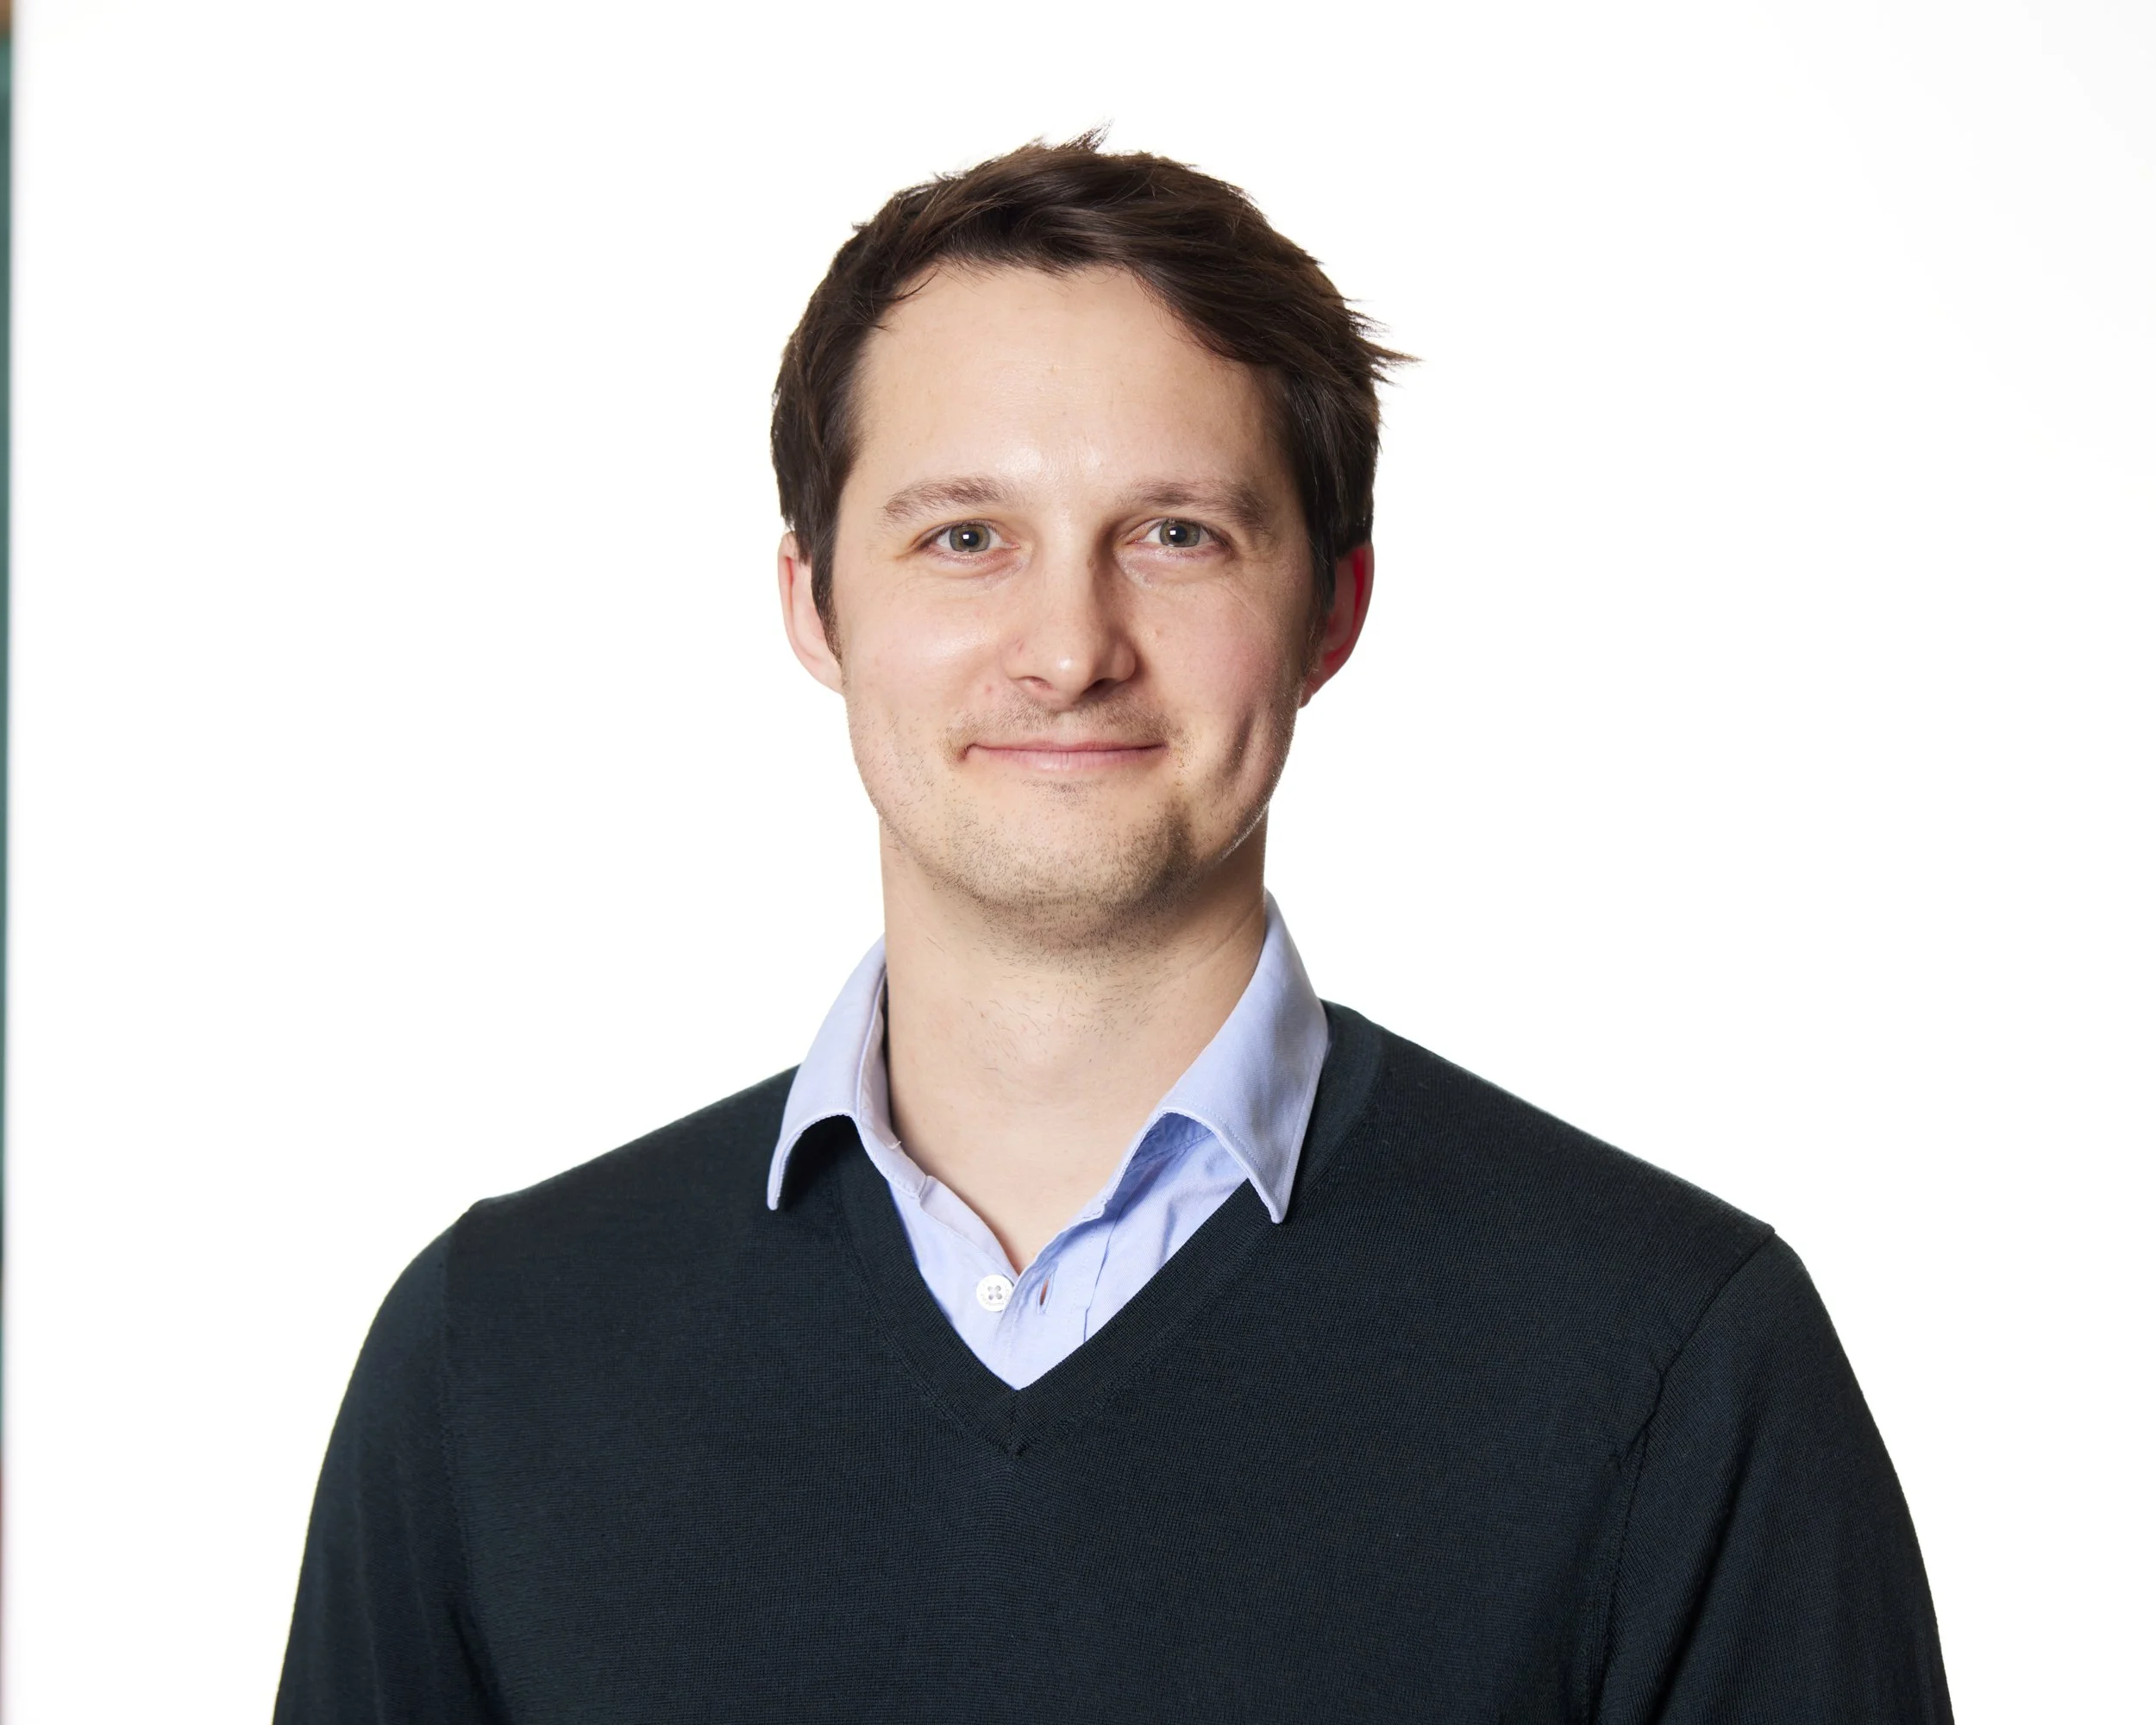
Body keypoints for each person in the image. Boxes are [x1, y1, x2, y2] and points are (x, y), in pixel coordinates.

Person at [274, 136, 1952, 1723]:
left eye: (1172, 535)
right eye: (962, 536)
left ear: (1329, 608)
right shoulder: (492, 1361)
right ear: (812, 603)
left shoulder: (1671, 1360)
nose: (1067, 645)